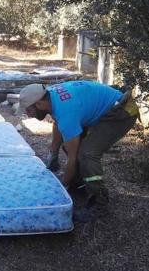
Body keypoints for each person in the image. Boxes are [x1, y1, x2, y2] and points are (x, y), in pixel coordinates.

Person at [18, 81, 139, 222]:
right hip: (106, 107)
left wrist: (62, 187)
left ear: (39, 104)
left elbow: (73, 158)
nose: (28, 114)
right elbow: (58, 123)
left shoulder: (66, 113)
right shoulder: (50, 95)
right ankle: (81, 183)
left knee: (86, 154)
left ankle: (100, 204)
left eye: (28, 110)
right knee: (69, 143)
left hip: (121, 113)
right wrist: (53, 153)